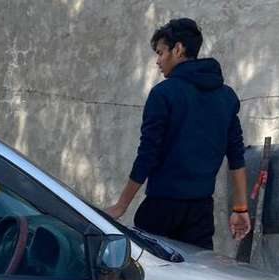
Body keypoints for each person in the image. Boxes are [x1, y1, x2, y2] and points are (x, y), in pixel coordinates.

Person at [105, 18, 250, 249]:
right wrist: (240, 208)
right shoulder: (227, 97)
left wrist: (122, 205)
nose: (157, 61)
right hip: (201, 213)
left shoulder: (163, 94)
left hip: (161, 209)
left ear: (178, 49)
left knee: (149, 276)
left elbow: (148, 155)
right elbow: (236, 155)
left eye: (161, 53)